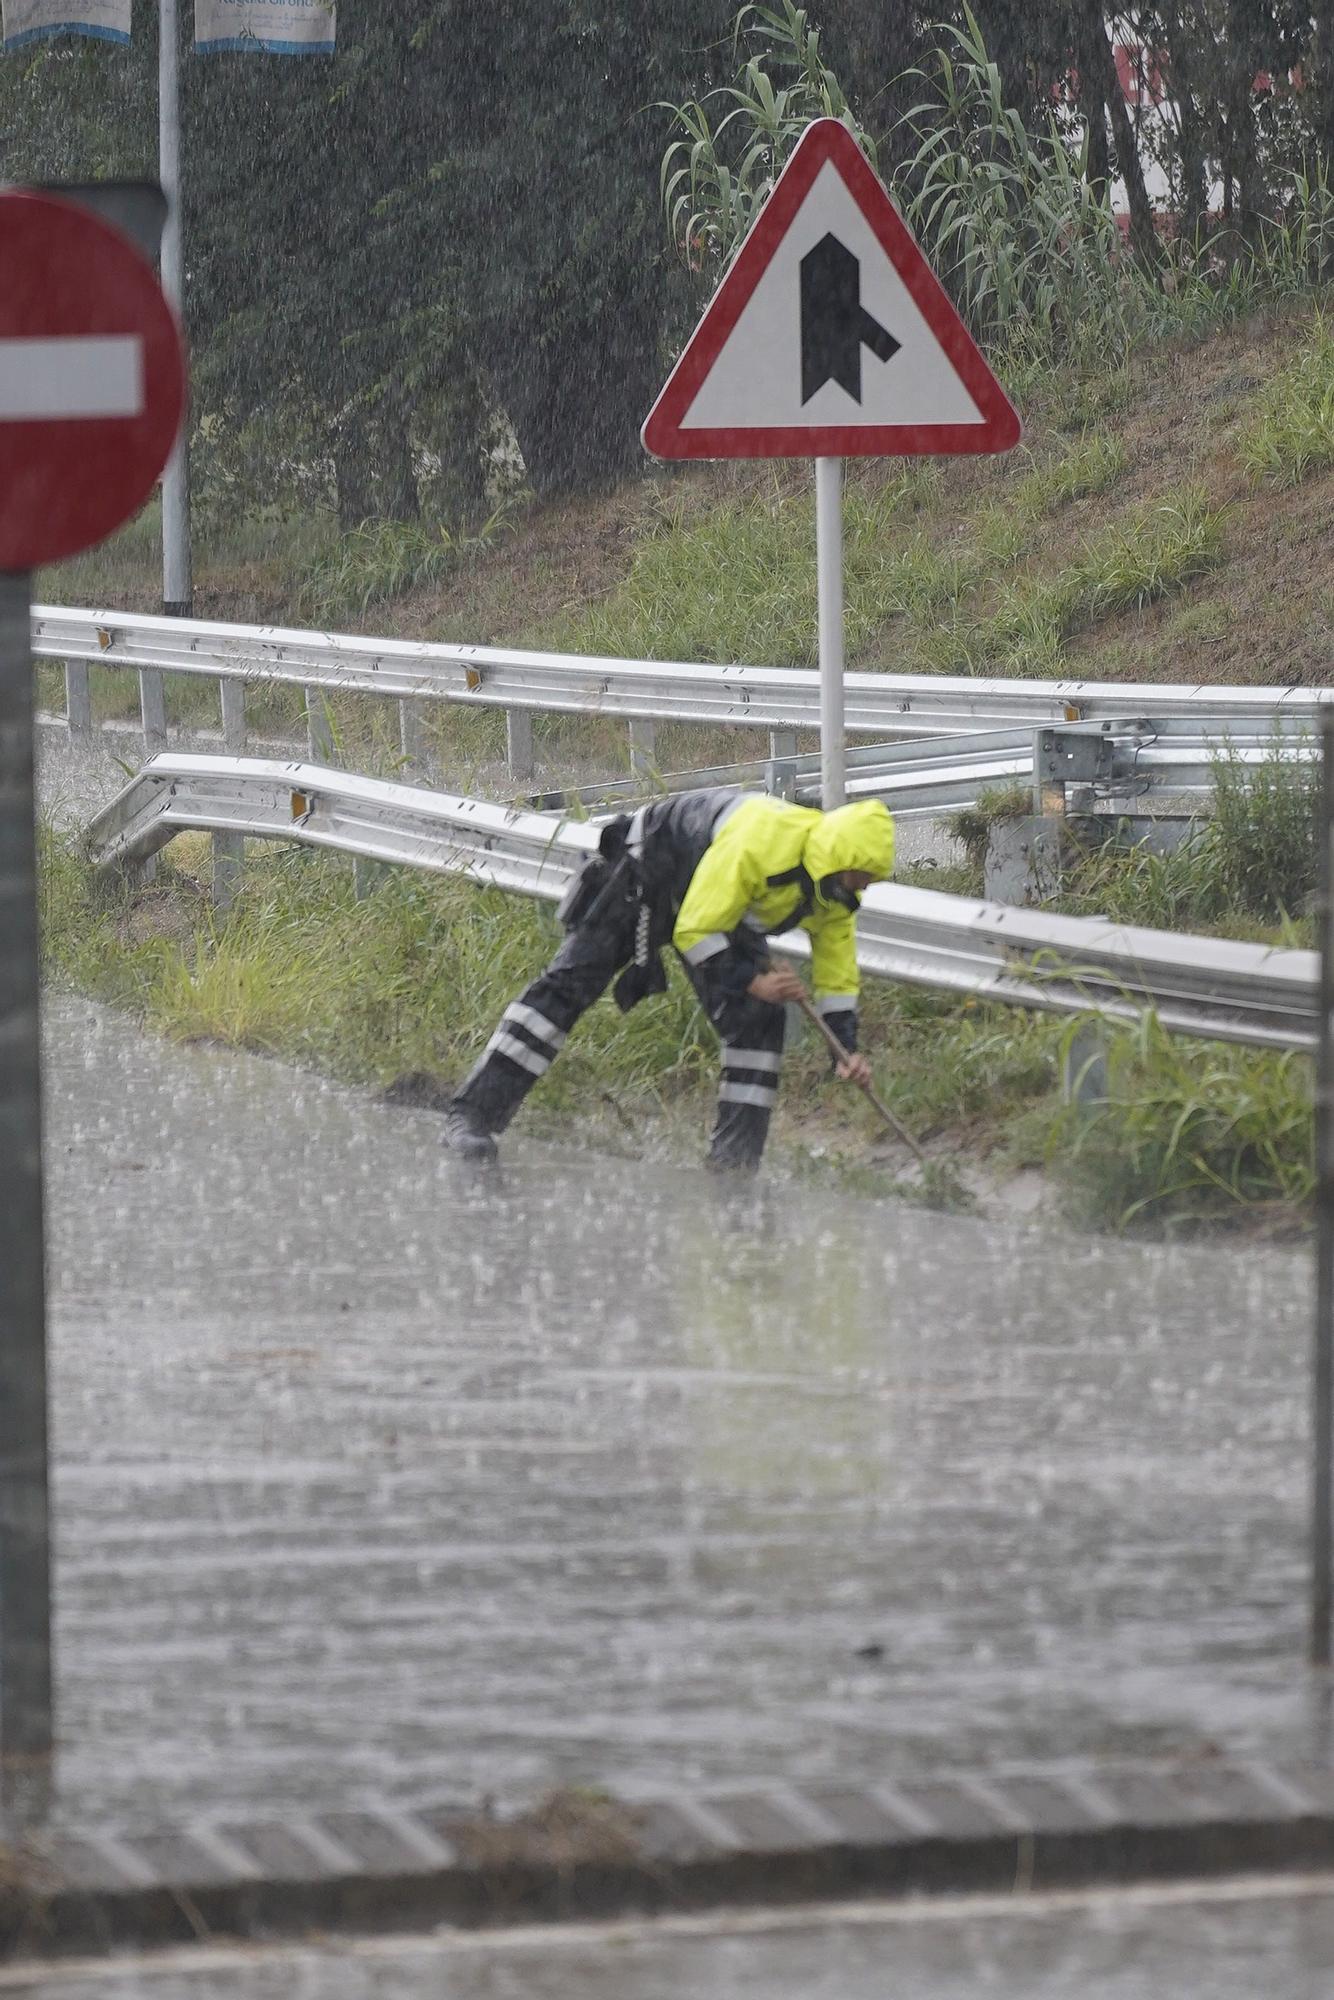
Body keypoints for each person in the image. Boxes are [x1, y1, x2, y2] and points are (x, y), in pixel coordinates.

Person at [444, 787, 895, 1171]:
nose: (865, 887)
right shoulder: (762, 844)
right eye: (863, 876)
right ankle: (472, 1116)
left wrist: (845, 1048)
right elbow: (695, 928)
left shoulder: (836, 894)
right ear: (840, 859)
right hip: (648, 870)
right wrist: (750, 980)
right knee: (569, 986)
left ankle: (733, 1166)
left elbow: (837, 976)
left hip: (716, 906)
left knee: (757, 1020)